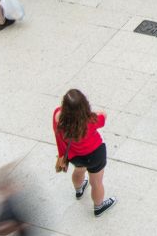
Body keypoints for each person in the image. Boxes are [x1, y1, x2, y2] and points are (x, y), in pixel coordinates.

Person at [52, 89, 116, 217]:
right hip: (95, 155)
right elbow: (103, 116)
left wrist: (61, 154)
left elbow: (58, 135)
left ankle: (79, 190)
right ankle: (98, 207)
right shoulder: (91, 120)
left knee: (78, 170)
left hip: (75, 156)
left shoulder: (58, 117)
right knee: (96, 182)